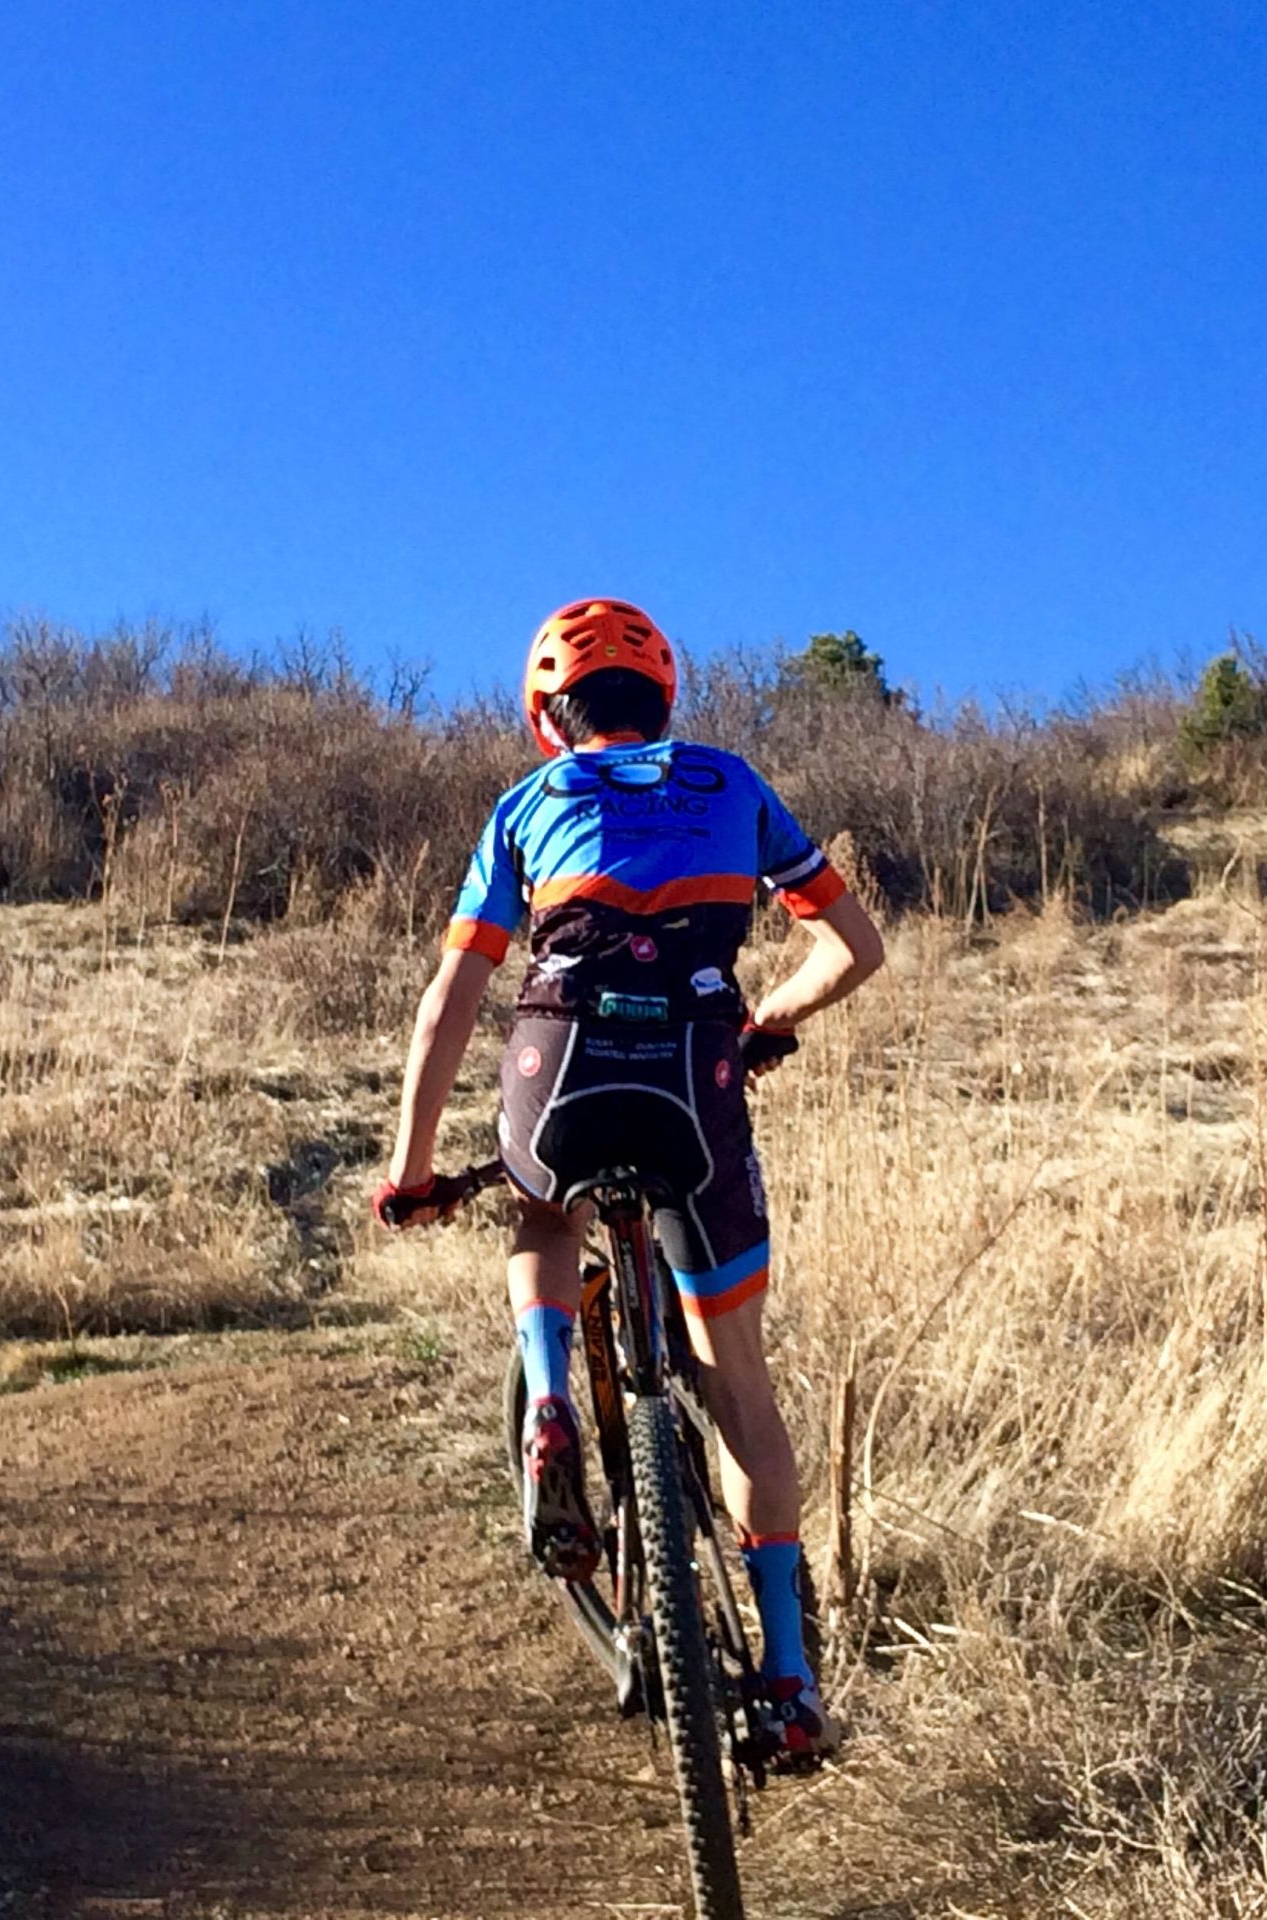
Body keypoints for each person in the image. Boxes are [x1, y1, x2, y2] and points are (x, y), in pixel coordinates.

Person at [373, 597, 885, 1760]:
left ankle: (549, 1393)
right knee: (740, 1391)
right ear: (665, 702)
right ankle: (792, 1681)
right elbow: (857, 947)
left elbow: (447, 1002)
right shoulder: (732, 784)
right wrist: (767, 1018)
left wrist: (409, 1169)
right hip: (695, 1080)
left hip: (560, 1064)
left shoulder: (527, 805)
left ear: (550, 715)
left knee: (540, 1204)